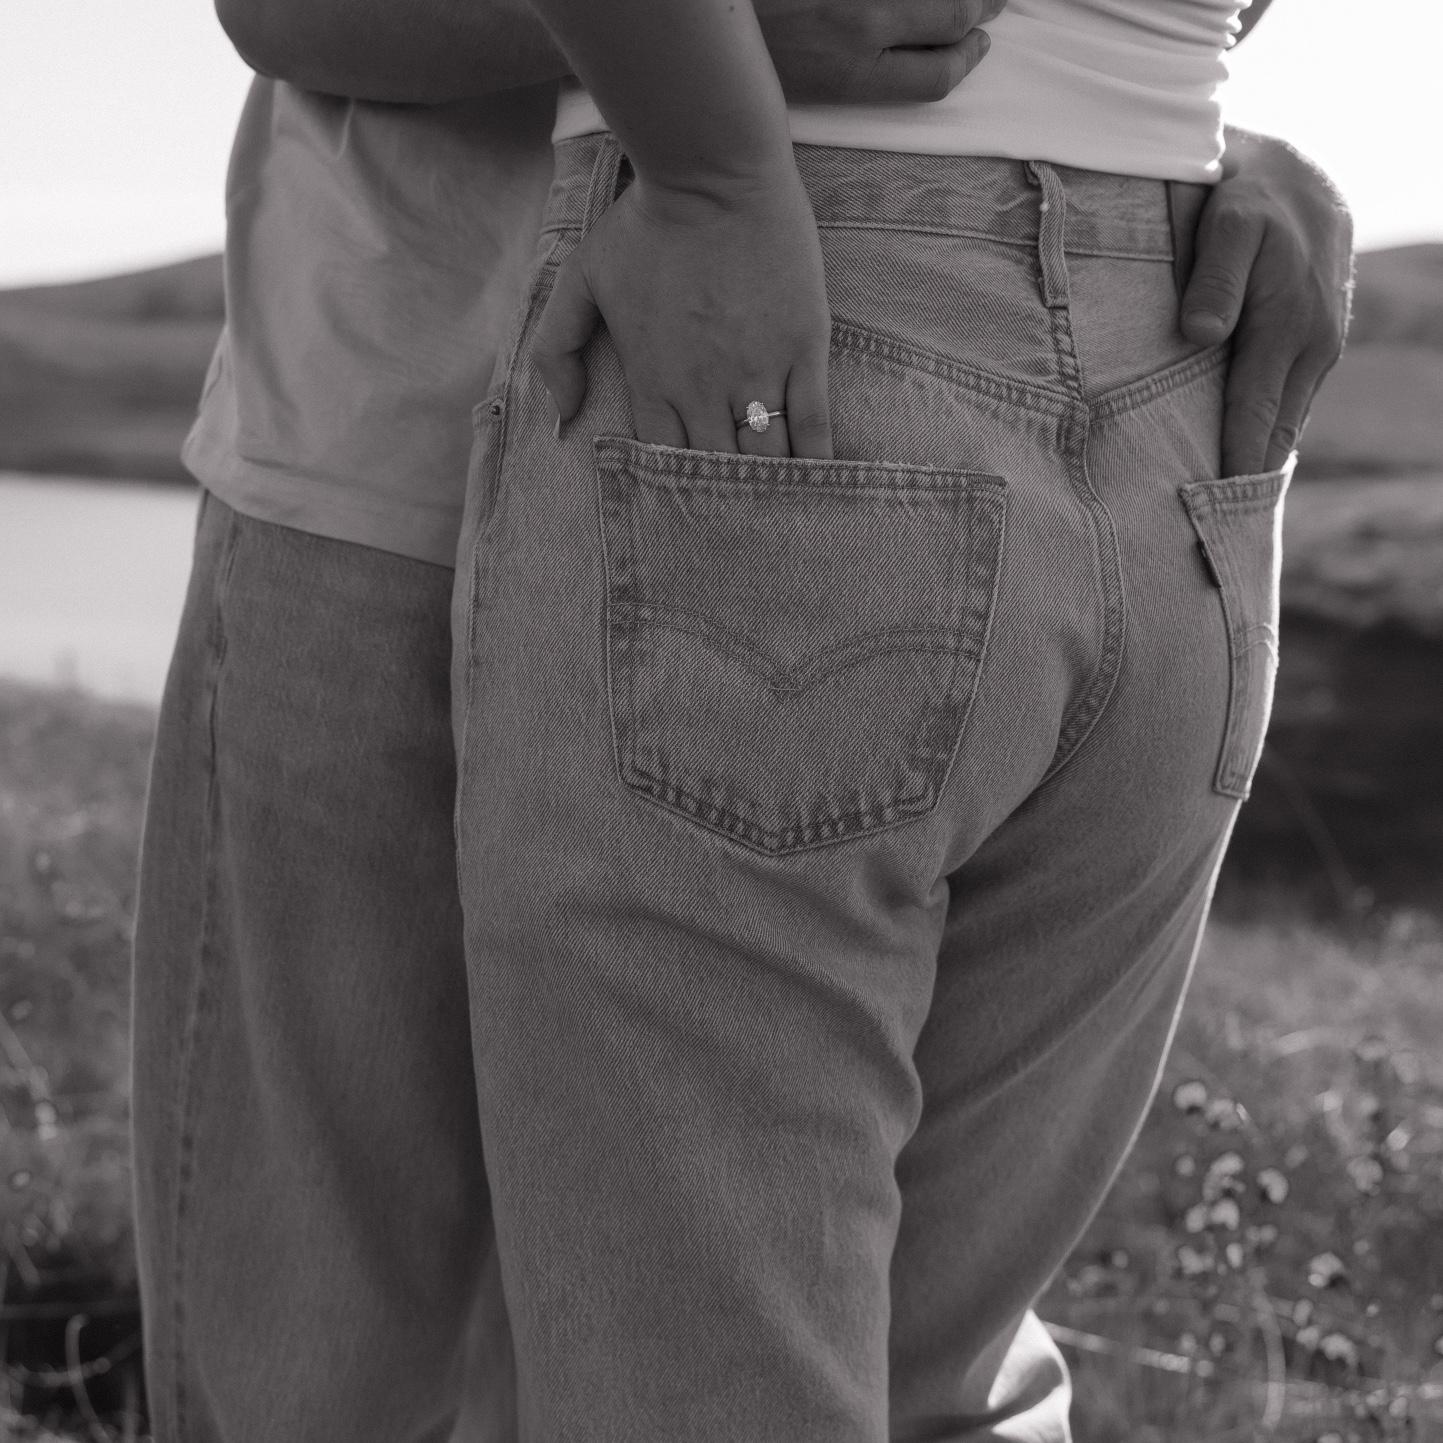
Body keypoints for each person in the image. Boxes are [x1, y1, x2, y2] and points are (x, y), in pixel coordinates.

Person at [127, 0, 1352, 1439]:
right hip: (420, 475)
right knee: (850, 1369)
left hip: (700, 418)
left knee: (738, 1365)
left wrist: (1172, 146)